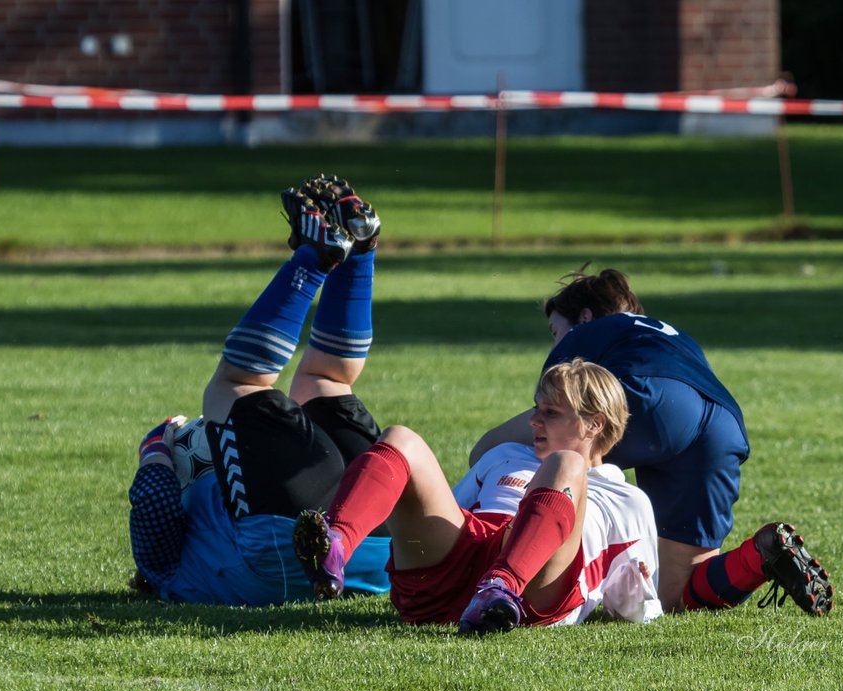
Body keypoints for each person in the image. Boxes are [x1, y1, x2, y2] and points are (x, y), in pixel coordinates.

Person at [469, 268, 834, 617]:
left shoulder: (586, 337)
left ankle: (505, 569)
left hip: (646, 399)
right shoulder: (659, 331)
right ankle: (760, 555)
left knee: (506, 451)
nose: (555, 343)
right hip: (722, 422)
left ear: (583, 316)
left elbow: (543, 430)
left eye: (554, 331)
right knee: (675, 593)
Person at [127, 175, 394, 605]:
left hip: (379, 550)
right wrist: (156, 447)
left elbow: (162, 506)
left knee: (326, 381)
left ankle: (360, 249)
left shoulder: (179, 570)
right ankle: (321, 259)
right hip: (307, 548)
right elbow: (154, 499)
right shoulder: (165, 572)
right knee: (235, 385)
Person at [292, 358, 662, 635]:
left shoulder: (626, 498)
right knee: (401, 437)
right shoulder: (504, 455)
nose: (534, 421)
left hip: (534, 590)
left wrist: (634, 586)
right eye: (536, 408)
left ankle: (501, 587)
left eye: (550, 413)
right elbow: (448, 515)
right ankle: (335, 542)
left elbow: (640, 609)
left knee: (567, 464)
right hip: (461, 566)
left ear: (595, 424)